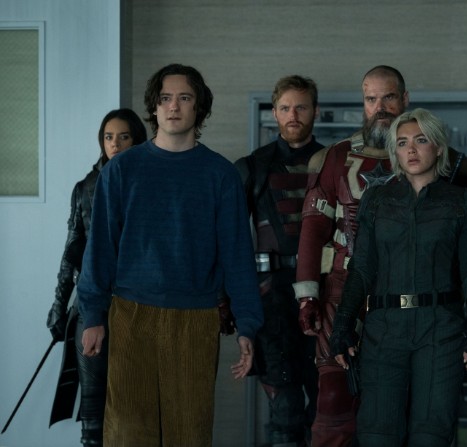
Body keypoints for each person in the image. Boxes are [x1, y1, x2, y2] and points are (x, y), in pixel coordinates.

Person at [77, 63, 263, 446]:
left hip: (195, 318)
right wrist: (92, 315)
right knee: (127, 434)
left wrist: (247, 324)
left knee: (189, 433)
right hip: (130, 313)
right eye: (165, 98)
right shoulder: (122, 170)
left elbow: (237, 257)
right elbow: (100, 249)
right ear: (154, 106)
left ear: (199, 107)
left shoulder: (220, 175)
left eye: (184, 97)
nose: (173, 106)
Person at [294, 65, 467, 447]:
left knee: (425, 414)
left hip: (423, 302)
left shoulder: (449, 164)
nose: (380, 107)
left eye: (389, 97)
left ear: (404, 99)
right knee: (336, 399)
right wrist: (307, 295)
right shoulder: (332, 158)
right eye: (371, 98)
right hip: (343, 289)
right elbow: (313, 232)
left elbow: (463, 253)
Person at [328, 108, 467, 446]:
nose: (411, 150)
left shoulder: (463, 202)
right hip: (384, 329)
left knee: (431, 435)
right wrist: (342, 326)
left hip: (441, 329)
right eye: (402, 143)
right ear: (395, 152)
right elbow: (362, 267)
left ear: (439, 147)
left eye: (421, 140)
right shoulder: (377, 200)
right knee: (377, 435)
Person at [231, 75, 323, 446]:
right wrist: (227, 302)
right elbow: (230, 240)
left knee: (326, 411)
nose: (293, 115)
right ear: (274, 113)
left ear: (315, 111)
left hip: (325, 296)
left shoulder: (334, 163)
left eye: (301, 107)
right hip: (271, 299)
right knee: (284, 412)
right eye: (285, 108)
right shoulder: (253, 167)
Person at [46, 108, 147, 446]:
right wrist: (59, 306)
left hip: (139, 305)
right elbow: (71, 250)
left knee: (135, 411)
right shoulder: (85, 187)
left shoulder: (150, 183)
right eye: (108, 137)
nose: (115, 144)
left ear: (137, 140)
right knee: (93, 416)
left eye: (124, 137)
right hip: (91, 305)